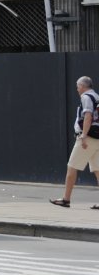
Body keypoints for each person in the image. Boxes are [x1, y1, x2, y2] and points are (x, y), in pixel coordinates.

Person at [50, 76, 99, 208]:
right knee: (98, 170)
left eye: (78, 87)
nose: (77, 89)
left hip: (87, 139)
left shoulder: (86, 97)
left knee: (71, 167)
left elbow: (88, 115)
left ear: (83, 86)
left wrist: (83, 135)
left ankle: (66, 199)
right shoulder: (97, 97)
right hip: (97, 139)